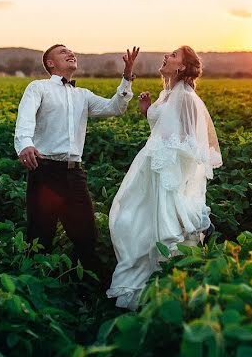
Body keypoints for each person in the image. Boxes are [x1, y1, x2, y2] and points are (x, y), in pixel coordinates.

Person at [14, 44, 139, 285]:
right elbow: (25, 119)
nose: (71, 53)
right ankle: (31, 289)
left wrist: (127, 76)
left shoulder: (83, 95)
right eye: (63, 52)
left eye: (71, 51)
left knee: (86, 236)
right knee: (40, 237)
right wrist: (25, 145)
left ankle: (84, 291)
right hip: (45, 172)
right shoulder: (38, 88)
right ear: (50, 64)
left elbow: (115, 108)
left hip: (74, 175)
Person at [107, 46, 221, 309]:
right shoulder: (166, 95)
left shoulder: (188, 98)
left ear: (181, 67)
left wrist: (166, 163)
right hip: (151, 166)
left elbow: (191, 142)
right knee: (132, 220)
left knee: (160, 223)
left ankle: (169, 289)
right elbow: (165, 127)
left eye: (172, 55)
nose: (166, 57)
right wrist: (148, 112)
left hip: (167, 170)